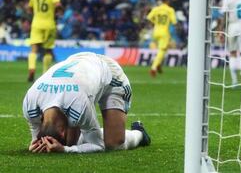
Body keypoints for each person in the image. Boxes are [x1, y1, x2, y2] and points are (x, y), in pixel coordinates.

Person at [22, 52, 151, 153]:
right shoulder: (30, 104)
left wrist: (66, 149)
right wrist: (36, 145)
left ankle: (139, 133)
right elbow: (36, 137)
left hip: (111, 74)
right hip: (78, 66)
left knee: (113, 144)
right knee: (74, 136)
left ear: (62, 132)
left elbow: (98, 145)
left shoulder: (79, 104)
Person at [27, 0, 62, 82]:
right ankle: (45, 74)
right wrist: (56, 13)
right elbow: (58, 5)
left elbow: (30, 8)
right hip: (49, 24)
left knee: (34, 49)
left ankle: (31, 69)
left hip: (36, 23)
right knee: (48, 50)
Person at [146, 0, 177, 77]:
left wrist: (155, 22)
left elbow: (148, 18)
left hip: (155, 31)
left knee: (165, 49)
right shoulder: (170, 10)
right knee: (162, 51)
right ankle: (154, 68)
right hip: (164, 32)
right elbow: (174, 22)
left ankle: (158, 63)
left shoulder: (156, 9)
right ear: (167, 1)